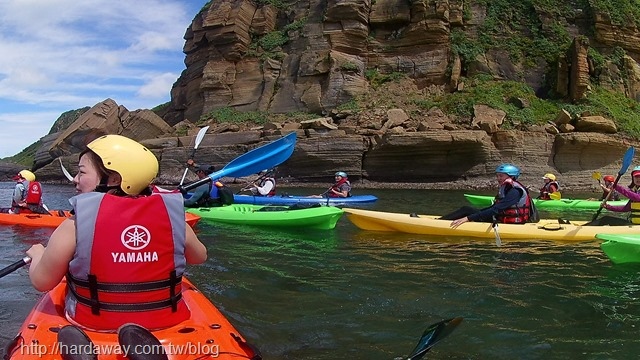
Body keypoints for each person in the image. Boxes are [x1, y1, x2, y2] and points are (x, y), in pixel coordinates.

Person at [24, 135, 208, 357]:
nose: (74, 179)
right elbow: (199, 257)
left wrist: (38, 255)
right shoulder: (172, 219)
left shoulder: (74, 225)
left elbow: (42, 282)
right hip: (166, 323)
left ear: (112, 178)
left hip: (93, 323)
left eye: (81, 172)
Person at [443, 164, 537, 228]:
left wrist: (468, 218)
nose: (498, 178)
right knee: (467, 210)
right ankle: (441, 221)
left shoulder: (515, 191)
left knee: (466, 210)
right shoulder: (506, 188)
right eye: (497, 176)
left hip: (512, 223)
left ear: (511, 176)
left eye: (501, 176)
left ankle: (441, 223)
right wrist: (474, 216)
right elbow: (494, 207)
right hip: (501, 217)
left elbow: (496, 209)